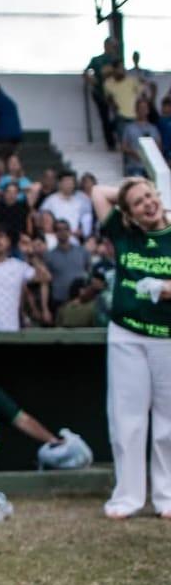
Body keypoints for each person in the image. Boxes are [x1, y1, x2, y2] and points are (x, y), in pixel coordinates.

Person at [89, 176, 171, 519]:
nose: (148, 204)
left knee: (169, 420)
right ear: (129, 214)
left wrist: (166, 288)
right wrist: (131, 189)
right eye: (138, 203)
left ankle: (167, 497)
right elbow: (97, 192)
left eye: (150, 196)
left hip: (167, 337)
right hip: (127, 335)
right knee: (127, 418)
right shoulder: (124, 233)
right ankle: (127, 497)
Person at [83, 38, 121, 151]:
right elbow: (86, 72)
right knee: (105, 118)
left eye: (115, 46)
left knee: (120, 116)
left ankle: (117, 138)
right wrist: (91, 80)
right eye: (112, 46)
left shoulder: (117, 60)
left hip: (115, 93)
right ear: (106, 45)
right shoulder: (97, 60)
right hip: (100, 92)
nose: (113, 48)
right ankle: (111, 144)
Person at [38, 170, 93, 240]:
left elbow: (87, 219)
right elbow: (42, 219)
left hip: (76, 238)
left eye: (71, 182)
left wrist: (83, 231)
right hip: (55, 238)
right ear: (59, 183)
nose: (69, 184)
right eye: (66, 182)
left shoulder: (82, 199)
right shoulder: (50, 200)